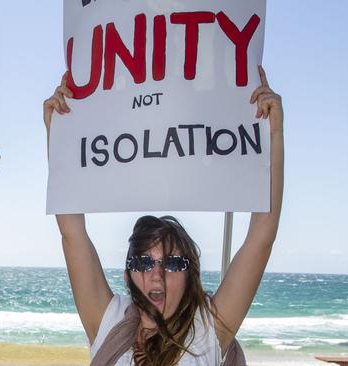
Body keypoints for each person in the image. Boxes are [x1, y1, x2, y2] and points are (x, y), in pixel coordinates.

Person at [43, 66, 283, 366]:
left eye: (172, 262)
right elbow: (72, 234)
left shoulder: (206, 334)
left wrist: (272, 133)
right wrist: (60, 135)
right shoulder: (109, 323)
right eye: (143, 261)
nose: (155, 274)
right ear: (129, 273)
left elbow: (261, 238)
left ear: (190, 274)